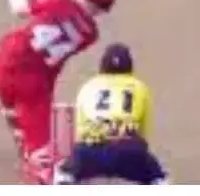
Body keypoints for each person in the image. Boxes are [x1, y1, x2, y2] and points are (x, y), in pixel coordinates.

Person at [0, 0, 118, 184]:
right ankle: (38, 171)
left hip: (1, 64)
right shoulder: (90, 35)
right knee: (43, 158)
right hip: (33, 85)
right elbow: (60, 22)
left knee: (12, 107)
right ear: (104, 8)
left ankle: (20, 135)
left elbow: (20, 9)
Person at [53, 43, 168, 185]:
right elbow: (143, 133)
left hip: (91, 152)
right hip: (129, 151)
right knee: (160, 179)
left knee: (62, 176)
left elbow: (80, 131)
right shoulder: (140, 88)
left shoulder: (88, 86)